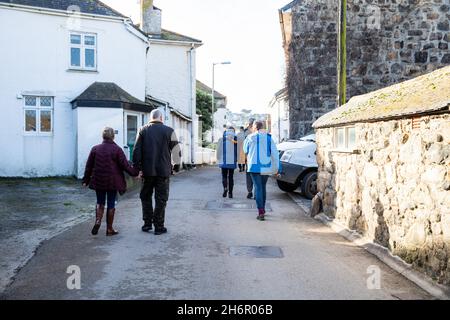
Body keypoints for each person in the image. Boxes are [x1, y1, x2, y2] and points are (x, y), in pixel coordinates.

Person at [82, 127, 139, 236]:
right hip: (113, 182)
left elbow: (89, 166)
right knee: (111, 203)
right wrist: (135, 173)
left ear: (103, 136)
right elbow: (125, 166)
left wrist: (85, 180)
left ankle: (98, 221)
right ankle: (109, 229)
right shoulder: (117, 149)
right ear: (113, 136)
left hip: (99, 180)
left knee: (100, 202)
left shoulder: (95, 149)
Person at [133, 109, 181, 235]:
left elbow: (136, 151)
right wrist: (176, 167)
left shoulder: (143, 130)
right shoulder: (169, 130)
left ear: (151, 118)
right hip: (163, 172)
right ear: (161, 118)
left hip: (147, 171)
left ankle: (147, 224)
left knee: (145, 197)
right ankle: (159, 226)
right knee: (161, 199)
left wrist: (137, 169)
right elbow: (176, 151)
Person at [244, 120, 281, 221]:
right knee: (263, 187)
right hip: (265, 166)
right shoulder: (269, 138)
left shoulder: (249, 137)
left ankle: (261, 212)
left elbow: (245, 150)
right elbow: (275, 153)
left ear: (255, 127)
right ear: (263, 127)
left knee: (258, 187)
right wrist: (278, 168)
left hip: (254, 166)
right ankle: (263, 209)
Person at [217, 125, 238, 198]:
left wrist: (218, 158)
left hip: (223, 160)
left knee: (224, 175)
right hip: (232, 160)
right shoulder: (236, 140)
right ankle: (230, 193)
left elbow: (219, 150)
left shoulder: (222, 139)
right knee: (231, 176)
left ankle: (225, 188)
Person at [243, 118, 255, 199]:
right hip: (257, 159)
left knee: (249, 175)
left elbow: (245, 148)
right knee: (256, 175)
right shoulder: (261, 133)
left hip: (249, 158)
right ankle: (254, 192)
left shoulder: (246, 133)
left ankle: (250, 191)